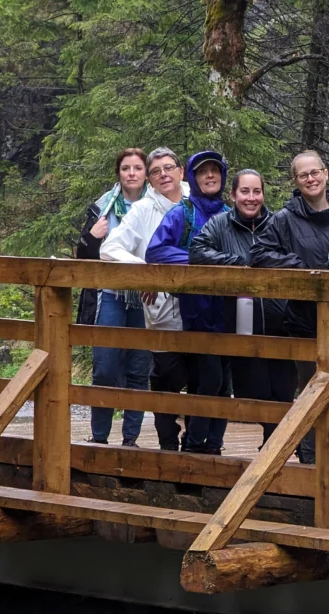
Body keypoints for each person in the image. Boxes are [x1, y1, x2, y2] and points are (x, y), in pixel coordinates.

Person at [250, 150, 329, 464]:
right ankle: (310, 459)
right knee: (310, 391)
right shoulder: (285, 218)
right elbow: (258, 254)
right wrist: (299, 266)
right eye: (303, 174)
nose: (311, 179)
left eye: (315, 172)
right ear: (296, 181)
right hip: (303, 320)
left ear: (325, 174)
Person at [188, 169, 287, 446]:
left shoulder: (278, 222)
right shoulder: (220, 224)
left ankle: (276, 452)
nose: (251, 198)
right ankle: (269, 450)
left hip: (280, 321)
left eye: (257, 191)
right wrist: (239, 262)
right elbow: (197, 252)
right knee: (253, 392)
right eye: (245, 191)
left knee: (282, 393)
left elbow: (293, 257)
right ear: (233, 195)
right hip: (240, 321)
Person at [99, 147, 189, 451]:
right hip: (163, 311)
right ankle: (167, 446)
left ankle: (198, 444)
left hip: (201, 308)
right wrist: (145, 272)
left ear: (181, 171)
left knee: (205, 379)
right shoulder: (143, 210)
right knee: (164, 380)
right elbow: (110, 248)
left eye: (169, 168)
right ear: (150, 180)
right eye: (156, 171)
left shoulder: (196, 203)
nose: (163, 174)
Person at [145, 150, 232, 455]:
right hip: (196, 311)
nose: (210, 176)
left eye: (215, 171)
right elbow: (155, 252)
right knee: (209, 380)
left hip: (230, 311)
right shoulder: (182, 213)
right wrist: (199, 261)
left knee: (223, 386)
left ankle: (213, 445)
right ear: (192, 177)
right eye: (203, 172)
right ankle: (195, 445)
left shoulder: (231, 214)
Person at [75, 147, 148, 325]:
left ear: (146, 174)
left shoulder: (155, 205)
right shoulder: (103, 207)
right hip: (109, 291)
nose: (131, 173)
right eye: (125, 169)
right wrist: (92, 238)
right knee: (106, 351)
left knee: (142, 352)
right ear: (118, 173)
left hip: (147, 291)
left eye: (138, 168)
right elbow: (83, 257)